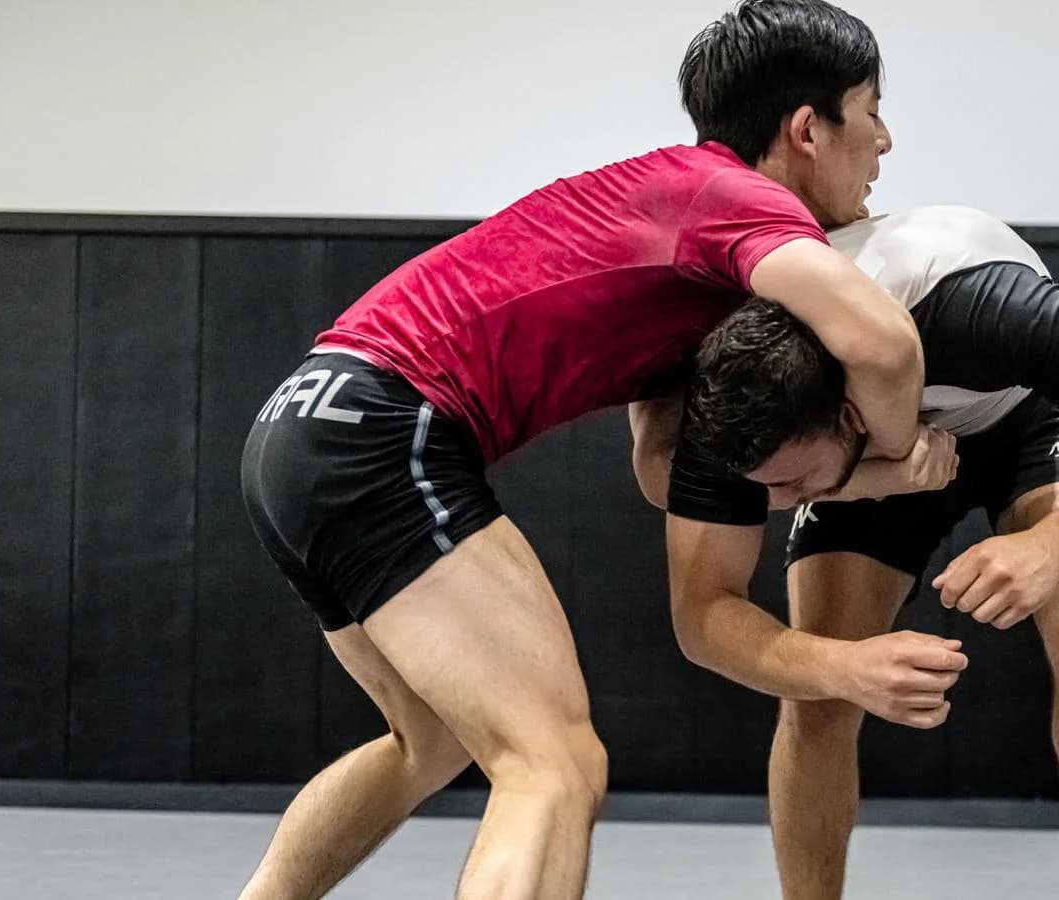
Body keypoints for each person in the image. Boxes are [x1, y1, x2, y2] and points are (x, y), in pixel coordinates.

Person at [235, 3, 927, 898]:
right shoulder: (738, 201)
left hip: (303, 424)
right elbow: (886, 345)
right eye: (871, 108)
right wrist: (899, 461)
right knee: (552, 764)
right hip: (386, 427)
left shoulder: (677, 223)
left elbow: (658, 466)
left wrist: (827, 473)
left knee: (433, 741)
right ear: (807, 128)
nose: (886, 141)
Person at [639, 205, 1059, 900]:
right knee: (815, 688)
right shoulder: (740, 384)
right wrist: (838, 664)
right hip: (879, 460)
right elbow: (702, 618)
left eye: (791, 483)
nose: (777, 501)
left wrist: (1051, 546)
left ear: (847, 417)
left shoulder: (985, 304)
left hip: (1024, 414)